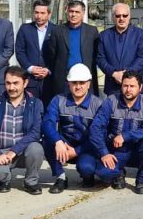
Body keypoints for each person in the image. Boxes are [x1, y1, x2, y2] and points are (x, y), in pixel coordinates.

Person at [80, 70, 143, 194]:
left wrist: (125, 136)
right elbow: (96, 128)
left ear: (140, 87)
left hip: (137, 151)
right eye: (125, 85)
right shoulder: (111, 101)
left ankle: (141, 180)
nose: (128, 90)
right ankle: (119, 173)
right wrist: (104, 153)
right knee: (104, 173)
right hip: (115, 152)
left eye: (132, 86)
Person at [0, 66, 44, 195]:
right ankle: (5, 180)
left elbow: (36, 132)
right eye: (8, 83)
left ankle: (31, 182)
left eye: (15, 83)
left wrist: (14, 150)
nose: (11, 87)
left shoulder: (35, 103)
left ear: (25, 83)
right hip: (1, 151)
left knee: (36, 149)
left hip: (23, 151)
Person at [41, 64, 103, 194]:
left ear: (88, 84)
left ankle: (88, 175)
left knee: (86, 168)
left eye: (82, 82)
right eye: (74, 82)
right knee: (47, 140)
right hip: (64, 145)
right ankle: (61, 177)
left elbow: (100, 135)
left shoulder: (98, 104)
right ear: (68, 83)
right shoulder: (59, 100)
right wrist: (58, 141)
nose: (78, 86)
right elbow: (47, 123)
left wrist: (77, 151)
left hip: (87, 146)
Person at [44, 0, 99, 97]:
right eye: (71, 11)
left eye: (77, 12)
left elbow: (96, 54)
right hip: (64, 80)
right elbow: (52, 55)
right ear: (67, 12)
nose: (73, 14)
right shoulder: (57, 31)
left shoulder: (92, 31)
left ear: (83, 13)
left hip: (85, 79)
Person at [97, 3, 143, 96]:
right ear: (113, 17)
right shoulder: (104, 36)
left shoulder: (140, 34)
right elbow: (100, 58)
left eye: (125, 15)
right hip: (113, 85)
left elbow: (142, 57)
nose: (121, 18)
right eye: (118, 16)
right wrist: (113, 73)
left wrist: (125, 75)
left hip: (134, 85)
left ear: (129, 16)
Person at [15, 0, 55, 104]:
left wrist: (48, 70)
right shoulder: (25, 29)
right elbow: (20, 51)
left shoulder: (56, 30)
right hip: (30, 80)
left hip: (49, 80)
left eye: (42, 13)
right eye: (36, 12)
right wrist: (30, 68)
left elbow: (59, 54)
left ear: (49, 14)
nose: (39, 16)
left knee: (49, 110)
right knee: (30, 108)